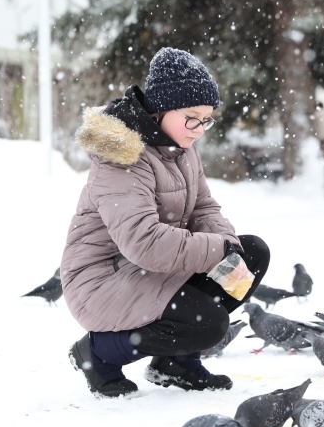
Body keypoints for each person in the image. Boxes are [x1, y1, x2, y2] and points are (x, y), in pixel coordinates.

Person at [61, 48, 270, 398]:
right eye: (192, 118)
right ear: (160, 109)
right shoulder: (121, 158)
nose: (200, 130)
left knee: (250, 255)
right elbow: (143, 242)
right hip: (103, 280)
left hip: (151, 269)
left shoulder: (180, 146)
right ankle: (97, 353)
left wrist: (227, 244)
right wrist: (217, 249)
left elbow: (205, 207)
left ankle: (174, 362)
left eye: (207, 119)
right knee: (207, 323)